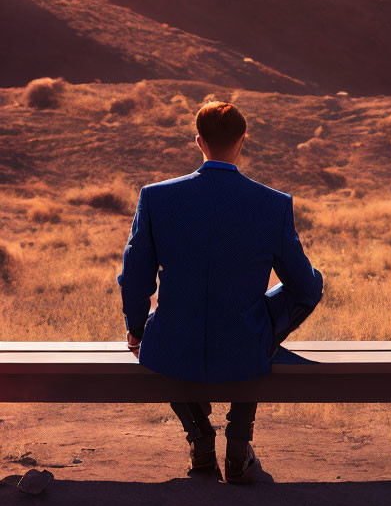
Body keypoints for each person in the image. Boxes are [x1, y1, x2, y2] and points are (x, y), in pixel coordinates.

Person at [117, 100, 323, 483]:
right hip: (244, 340)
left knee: (162, 330)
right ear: (243, 141)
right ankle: (239, 441)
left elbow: (134, 276)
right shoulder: (273, 204)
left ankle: (199, 439)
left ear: (199, 142)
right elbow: (304, 287)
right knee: (270, 313)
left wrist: (136, 327)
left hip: (174, 340)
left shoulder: (156, 198)